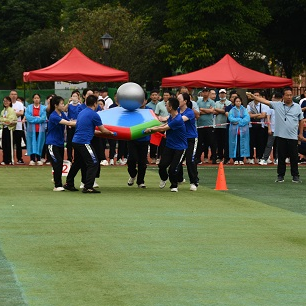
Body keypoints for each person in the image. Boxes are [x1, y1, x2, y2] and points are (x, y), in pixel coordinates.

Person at [247, 87, 304, 183]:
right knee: (281, 157)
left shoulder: (297, 107)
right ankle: (280, 176)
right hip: (281, 136)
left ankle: (295, 176)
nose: (289, 97)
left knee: (294, 158)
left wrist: (301, 133)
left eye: (291, 95)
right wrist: (254, 97)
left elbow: (301, 120)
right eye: (287, 95)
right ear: (283, 96)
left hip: (293, 136)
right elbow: (265, 101)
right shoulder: (277, 105)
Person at [64, 95, 116, 193]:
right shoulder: (94, 114)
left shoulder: (82, 112)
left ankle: (69, 183)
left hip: (76, 141)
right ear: (95, 104)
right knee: (94, 162)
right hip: (83, 142)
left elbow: (90, 130)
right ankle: (88, 186)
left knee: (78, 163)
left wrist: (105, 132)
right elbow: (103, 130)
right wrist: (112, 133)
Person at [144, 97, 187, 192]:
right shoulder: (171, 117)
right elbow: (163, 125)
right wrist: (153, 127)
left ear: (170, 107)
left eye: (167, 105)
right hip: (170, 146)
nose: (166, 106)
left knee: (173, 168)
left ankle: (174, 185)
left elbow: (164, 129)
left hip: (180, 147)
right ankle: (164, 178)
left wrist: (151, 130)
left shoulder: (178, 119)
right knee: (162, 165)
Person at [46, 96, 76, 191]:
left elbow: (69, 121)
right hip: (52, 143)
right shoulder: (53, 116)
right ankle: (57, 185)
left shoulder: (62, 113)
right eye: (62, 103)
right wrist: (82, 122)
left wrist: (73, 122)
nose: (63, 105)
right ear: (56, 105)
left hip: (60, 143)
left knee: (59, 163)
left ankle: (58, 182)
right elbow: (69, 123)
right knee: (57, 162)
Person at [176, 93, 198, 191]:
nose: (177, 101)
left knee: (190, 160)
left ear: (185, 101)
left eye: (179, 99)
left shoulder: (190, 112)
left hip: (191, 139)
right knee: (177, 160)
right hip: (180, 138)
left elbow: (179, 120)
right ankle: (179, 179)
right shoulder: (176, 111)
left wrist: (165, 119)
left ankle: (194, 182)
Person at [127, 101, 151, 188]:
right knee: (131, 160)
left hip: (144, 140)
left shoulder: (149, 111)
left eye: (143, 99)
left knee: (142, 161)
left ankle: (140, 181)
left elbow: (153, 122)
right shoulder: (132, 110)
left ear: (146, 100)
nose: (141, 102)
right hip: (132, 139)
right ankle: (133, 174)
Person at [259, 91, 282, 165]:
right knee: (269, 144)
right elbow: (268, 118)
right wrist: (269, 128)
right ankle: (265, 158)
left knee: (279, 145)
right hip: (272, 129)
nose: (274, 99)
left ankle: (277, 158)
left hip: (280, 129)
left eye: (276, 98)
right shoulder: (271, 107)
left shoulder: (283, 106)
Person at [246, 90, 269, 164]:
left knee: (260, 142)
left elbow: (263, 115)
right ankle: (250, 157)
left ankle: (259, 157)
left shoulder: (264, 105)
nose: (256, 97)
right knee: (251, 142)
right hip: (251, 126)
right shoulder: (249, 105)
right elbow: (249, 115)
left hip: (261, 126)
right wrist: (258, 115)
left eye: (257, 95)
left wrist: (254, 115)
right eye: (254, 95)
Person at [195, 87, 216, 164]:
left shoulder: (212, 102)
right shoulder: (198, 101)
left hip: (209, 125)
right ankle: (198, 158)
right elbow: (197, 112)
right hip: (200, 125)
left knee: (211, 142)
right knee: (200, 142)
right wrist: (207, 111)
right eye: (204, 92)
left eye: (206, 92)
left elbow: (212, 111)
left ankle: (214, 158)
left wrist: (202, 109)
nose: (205, 93)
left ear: (208, 93)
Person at [25, 93, 47, 165]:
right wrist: (37, 119)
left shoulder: (43, 108)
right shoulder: (29, 107)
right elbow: (28, 117)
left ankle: (39, 158)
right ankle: (32, 159)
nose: (36, 99)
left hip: (40, 130)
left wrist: (36, 119)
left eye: (38, 98)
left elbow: (43, 118)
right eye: (35, 98)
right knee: (31, 143)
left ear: (40, 99)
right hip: (31, 129)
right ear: (33, 99)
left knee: (40, 143)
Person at [228, 96, 250, 165]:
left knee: (242, 144)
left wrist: (239, 121)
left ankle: (241, 158)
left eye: (239, 101)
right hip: (234, 130)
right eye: (237, 101)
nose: (238, 103)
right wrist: (240, 119)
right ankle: (235, 159)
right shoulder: (232, 110)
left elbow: (247, 118)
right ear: (234, 102)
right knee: (235, 144)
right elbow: (230, 118)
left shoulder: (244, 109)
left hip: (243, 130)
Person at [214, 89, 231, 163]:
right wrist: (221, 110)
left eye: (223, 93)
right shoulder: (216, 102)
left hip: (226, 125)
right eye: (221, 93)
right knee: (219, 143)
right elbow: (214, 112)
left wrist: (218, 110)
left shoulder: (229, 103)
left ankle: (226, 157)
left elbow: (226, 111)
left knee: (225, 142)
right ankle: (220, 157)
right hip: (217, 125)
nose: (222, 95)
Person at [0, 96, 17, 165]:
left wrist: (4, 120)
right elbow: (1, 119)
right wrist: (4, 120)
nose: (5, 102)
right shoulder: (3, 111)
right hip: (4, 128)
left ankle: (10, 160)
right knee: (4, 145)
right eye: (4, 101)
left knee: (9, 144)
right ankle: (5, 159)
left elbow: (11, 120)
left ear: (10, 102)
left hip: (10, 129)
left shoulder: (11, 110)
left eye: (7, 101)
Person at [64, 91, 80, 162]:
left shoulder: (80, 105)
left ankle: (77, 157)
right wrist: (68, 103)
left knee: (76, 141)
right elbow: (64, 110)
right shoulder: (69, 105)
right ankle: (69, 157)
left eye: (76, 96)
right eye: (73, 96)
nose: (74, 97)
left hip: (77, 125)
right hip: (70, 125)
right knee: (69, 142)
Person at [10, 90, 25, 164]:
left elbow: (21, 113)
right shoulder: (8, 103)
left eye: (15, 94)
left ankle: (19, 158)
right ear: (10, 95)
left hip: (18, 127)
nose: (13, 96)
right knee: (9, 144)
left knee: (18, 144)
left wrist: (12, 113)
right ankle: (9, 158)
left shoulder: (19, 104)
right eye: (12, 94)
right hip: (9, 127)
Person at [146, 89, 161, 164]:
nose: (154, 96)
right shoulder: (148, 106)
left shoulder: (161, 104)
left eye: (156, 95)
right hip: (151, 125)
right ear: (150, 96)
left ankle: (159, 157)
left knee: (160, 142)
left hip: (160, 125)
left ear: (158, 96)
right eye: (153, 95)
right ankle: (152, 157)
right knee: (152, 142)